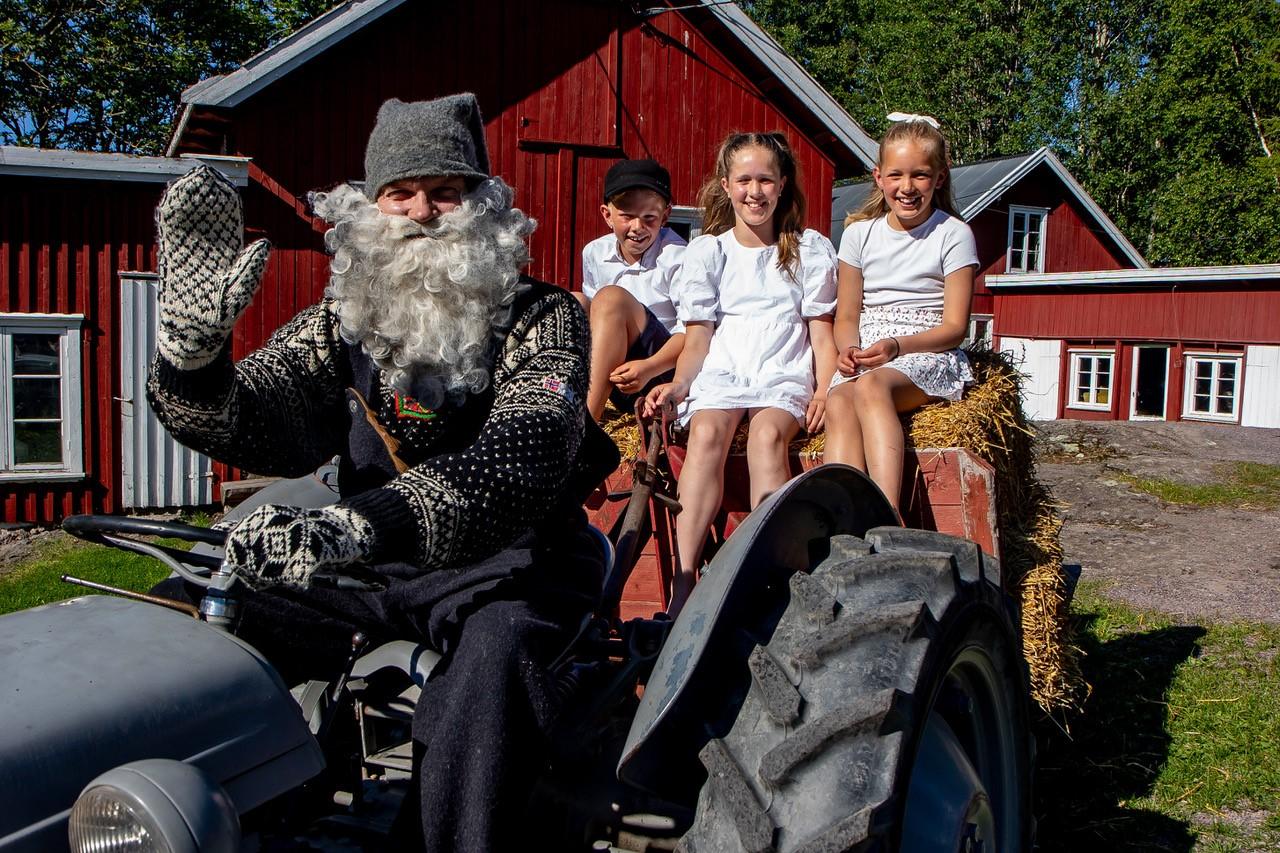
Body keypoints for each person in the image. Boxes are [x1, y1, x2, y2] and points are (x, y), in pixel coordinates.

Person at [146, 93, 618, 852]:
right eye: (400, 192)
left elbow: (523, 453)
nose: (422, 211)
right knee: (189, 612)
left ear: (485, 204)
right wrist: (191, 363)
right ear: (371, 209)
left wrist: (358, 523)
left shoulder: (545, 316)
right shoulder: (343, 319)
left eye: (444, 190)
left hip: (509, 568)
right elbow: (257, 417)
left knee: (494, 663)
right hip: (368, 565)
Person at [644, 131, 837, 617]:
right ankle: (685, 579)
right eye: (745, 180)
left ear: (783, 184)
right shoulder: (709, 252)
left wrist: (828, 385)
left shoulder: (807, 250)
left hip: (780, 364)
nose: (755, 192)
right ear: (726, 186)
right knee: (707, 430)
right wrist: (680, 384)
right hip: (727, 364)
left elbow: (820, 333)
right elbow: (699, 337)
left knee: (767, 435)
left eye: (766, 180)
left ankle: (767, 576)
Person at [822, 113, 978, 515]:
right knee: (839, 400)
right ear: (878, 177)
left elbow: (955, 328)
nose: (906, 188)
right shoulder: (859, 234)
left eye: (920, 176)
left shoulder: (953, 234)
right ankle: (843, 522)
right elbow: (846, 315)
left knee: (872, 389)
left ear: (939, 178)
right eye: (896, 175)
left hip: (924, 348)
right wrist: (848, 350)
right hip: (869, 349)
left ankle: (885, 515)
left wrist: (896, 346)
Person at [577, 158, 687, 420]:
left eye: (649, 217)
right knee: (575, 302)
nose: (638, 227)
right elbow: (593, 322)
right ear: (607, 215)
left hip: (660, 370)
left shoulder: (680, 257)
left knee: (611, 298)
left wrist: (649, 367)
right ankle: (561, 400)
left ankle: (585, 425)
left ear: (665, 216)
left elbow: (692, 334)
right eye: (627, 216)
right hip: (613, 371)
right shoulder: (594, 253)